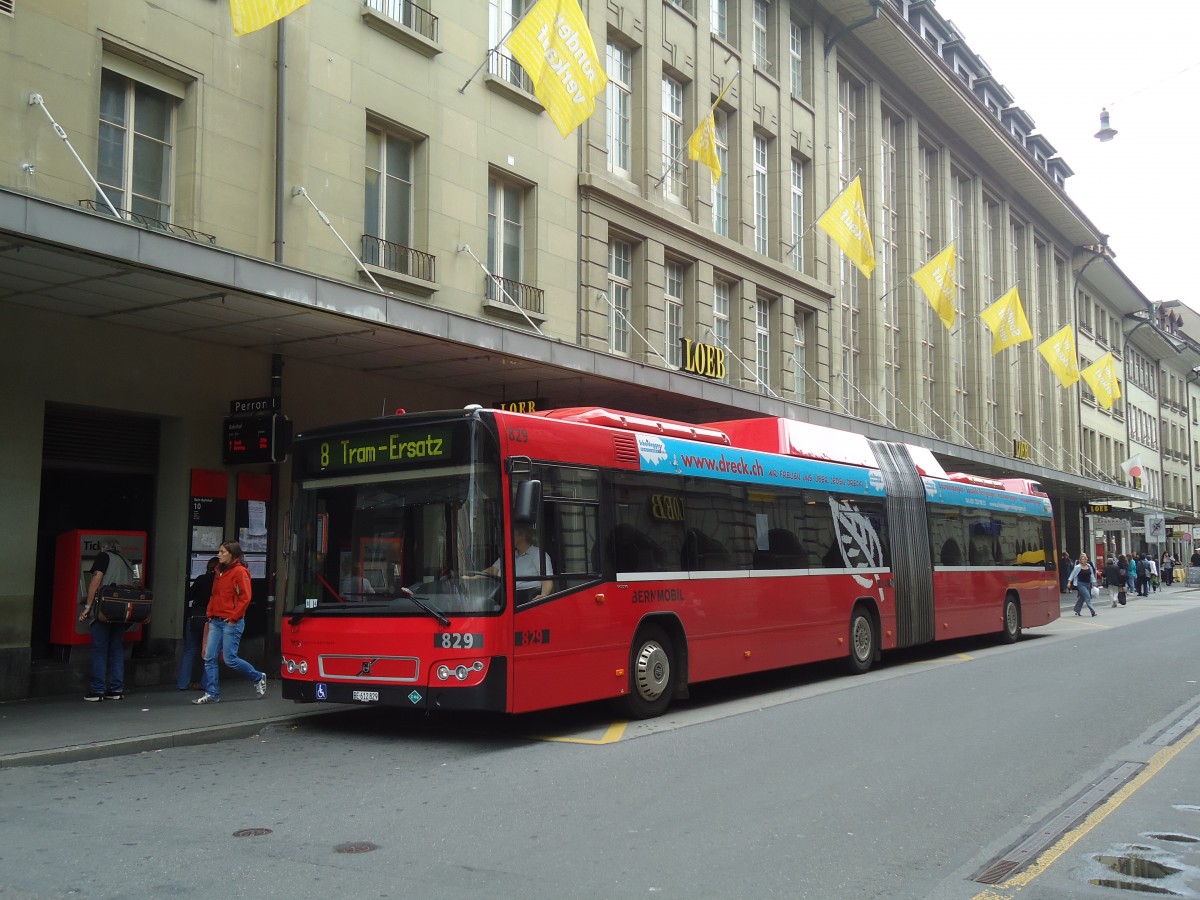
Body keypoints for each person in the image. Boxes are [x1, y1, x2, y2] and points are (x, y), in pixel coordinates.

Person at [194, 541, 266, 704]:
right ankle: (212, 693)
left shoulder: (240, 572)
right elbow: (215, 595)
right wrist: (211, 613)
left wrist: (233, 617)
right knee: (210, 657)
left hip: (230, 621)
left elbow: (245, 597)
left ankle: (257, 676)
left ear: (231, 554)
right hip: (217, 619)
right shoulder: (219, 571)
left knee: (229, 659)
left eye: (222, 552)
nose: (218, 555)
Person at [77, 539, 137, 702]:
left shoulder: (103, 557)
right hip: (121, 612)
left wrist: (88, 607)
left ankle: (97, 691)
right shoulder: (126, 561)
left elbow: (95, 582)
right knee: (116, 650)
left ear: (104, 548)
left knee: (100, 650)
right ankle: (116, 689)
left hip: (104, 610)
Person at [177, 557, 218, 691]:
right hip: (212, 619)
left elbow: (188, 595)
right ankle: (205, 683)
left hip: (196, 616)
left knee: (189, 650)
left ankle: (182, 683)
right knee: (210, 652)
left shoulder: (201, 579)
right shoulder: (221, 581)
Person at [484, 525, 553, 603]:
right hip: (505, 596)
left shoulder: (538, 554)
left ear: (522, 535)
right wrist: (473, 576)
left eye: (512, 534)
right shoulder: (509, 555)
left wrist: (544, 595)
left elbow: (547, 579)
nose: (508, 537)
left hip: (527, 599)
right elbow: (492, 570)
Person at [1067, 552, 1097, 617]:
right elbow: (1072, 575)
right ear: (1080, 560)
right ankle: (1093, 611)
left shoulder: (1089, 566)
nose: (1083, 560)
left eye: (1084, 559)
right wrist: (1069, 582)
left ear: (1086, 560)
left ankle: (1077, 610)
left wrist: (1094, 582)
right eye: (1081, 559)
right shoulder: (1077, 567)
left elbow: (1091, 575)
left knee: (1082, 598)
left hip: (1088, 584)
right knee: (1088, 597)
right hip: (1081, 584)